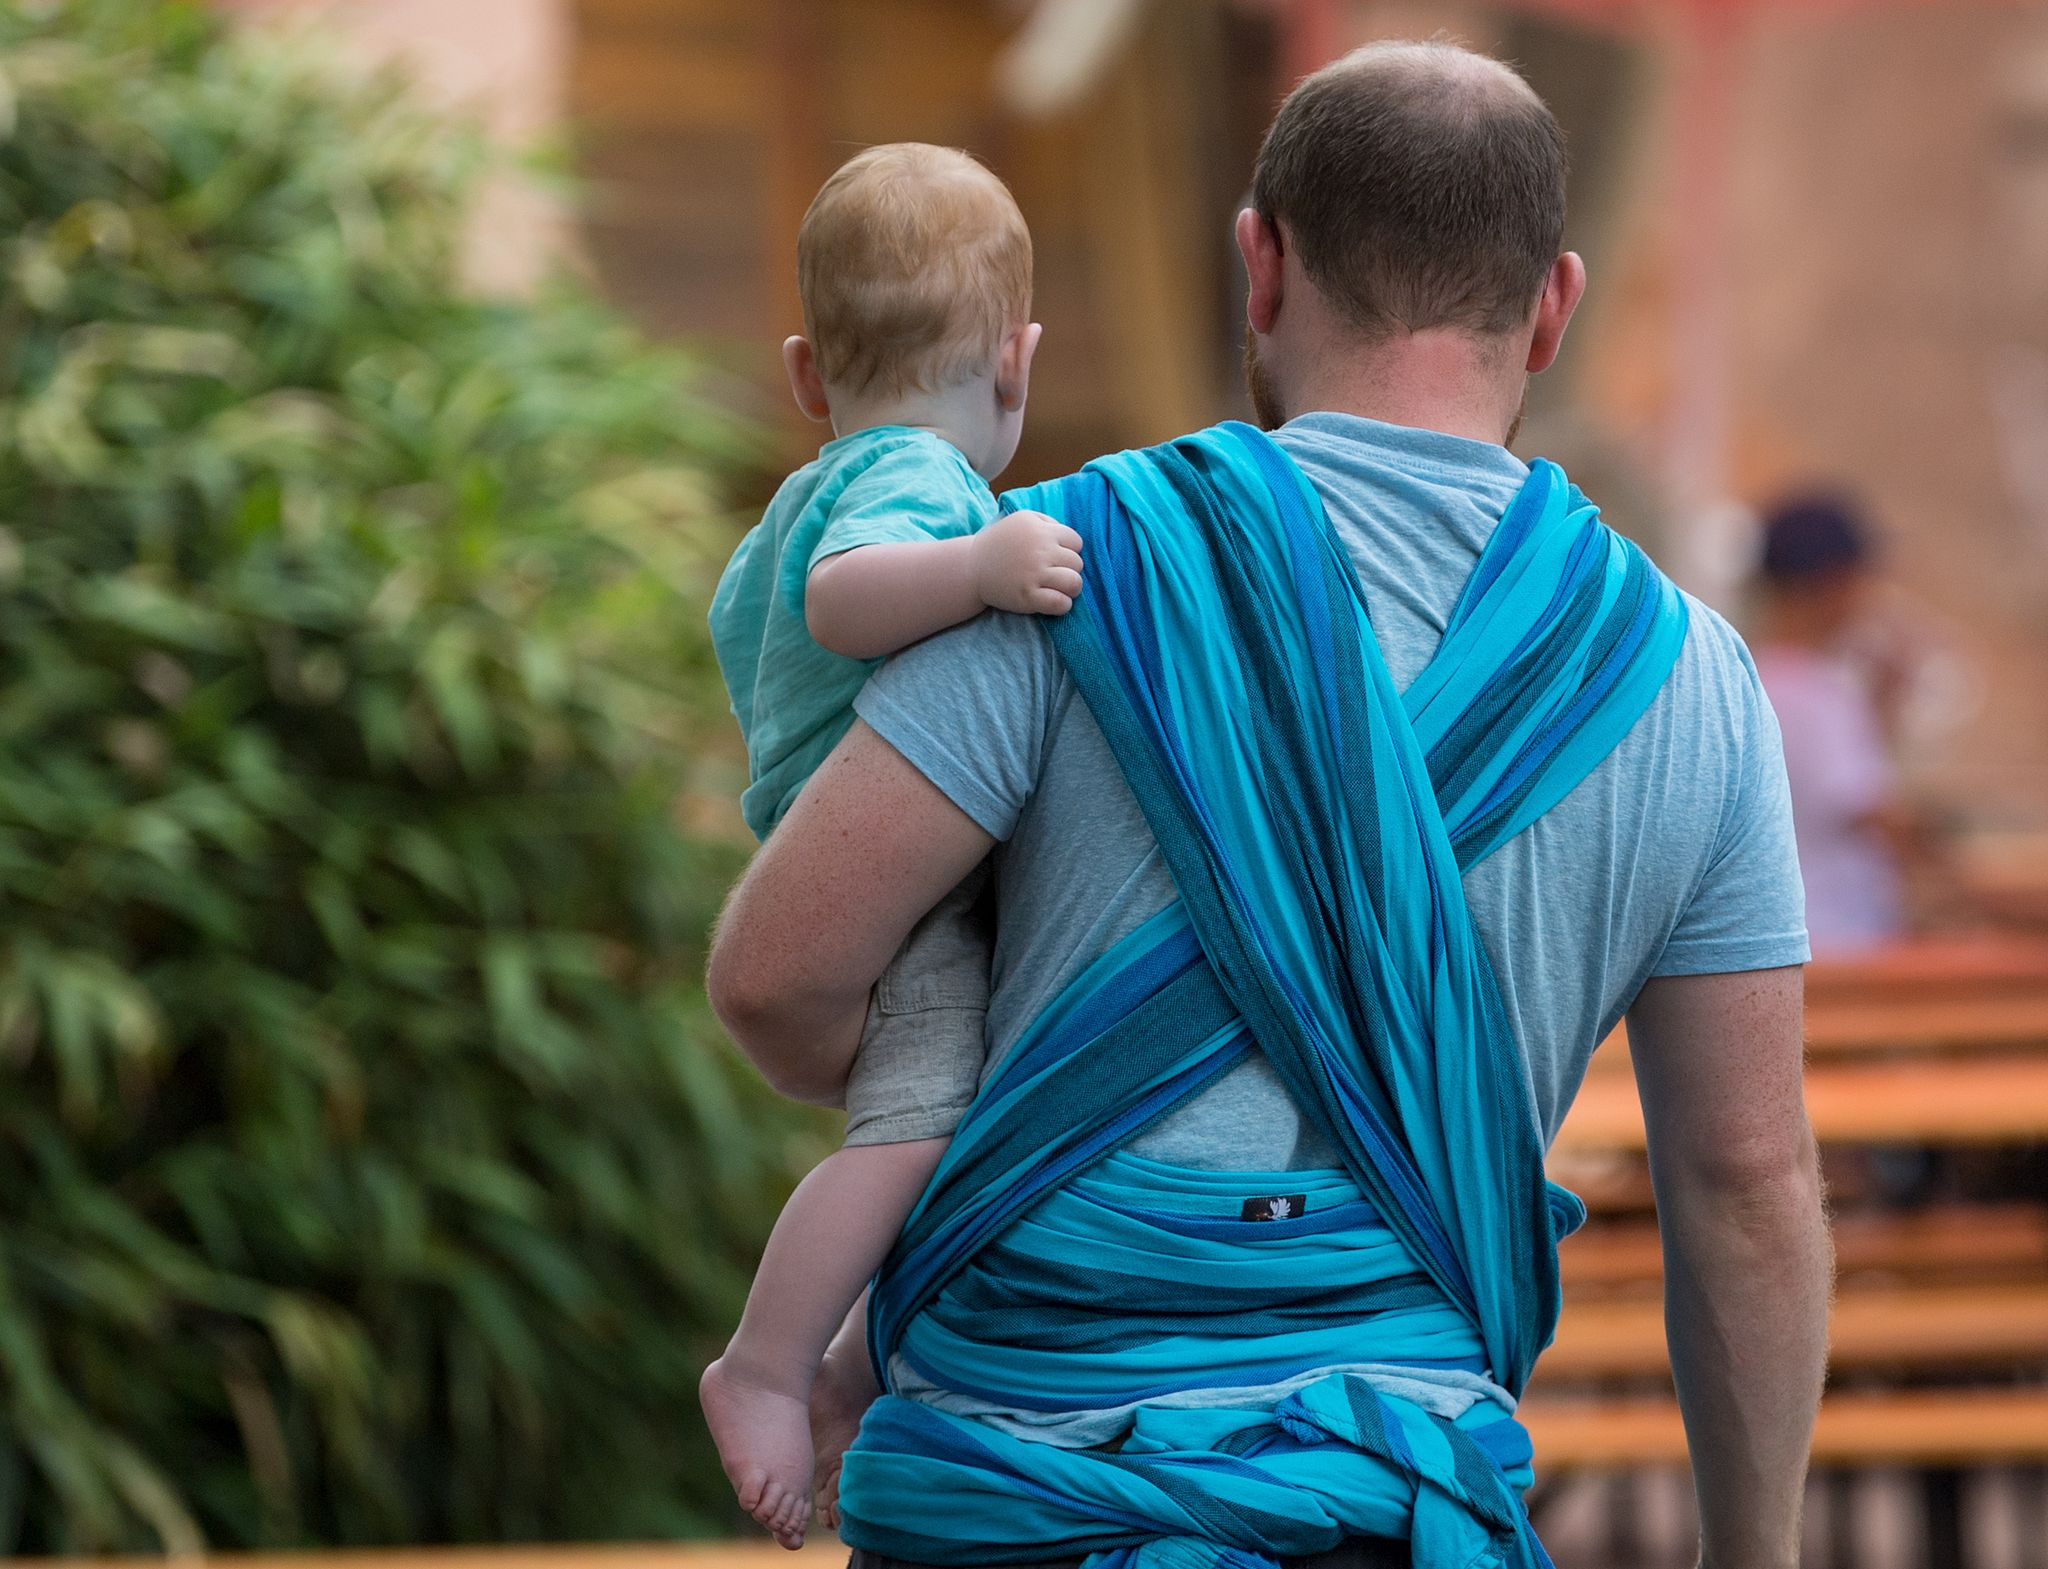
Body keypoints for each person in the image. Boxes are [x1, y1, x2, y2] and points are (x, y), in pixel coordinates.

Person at [710, 40, 1830, 1569]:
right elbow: (1746, 1187)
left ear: (1260, 263)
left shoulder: (1063, 565)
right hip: (1392, 1496)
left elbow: (779, 975)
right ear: (1555, 304)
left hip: (1025, 1482)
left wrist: (967, 1107)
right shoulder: (1689, 680)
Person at [698, 142, 1083, 1547]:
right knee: (915, 1128)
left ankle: (857, 1363)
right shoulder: (914, 480)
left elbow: (762, 618)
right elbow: (842, 601)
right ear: (1016, 362)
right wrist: (982, 569)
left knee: (952, 1126)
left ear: (806, 373)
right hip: (904, 893)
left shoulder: (809, 483)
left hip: (851, 865)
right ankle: (768, 1365)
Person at [1750, 495, 1936, 953]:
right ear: (1832, 581)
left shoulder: (1753, 676)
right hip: (1842, 944)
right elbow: (1877, 815)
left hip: (1788, 935)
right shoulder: (1816, 692)